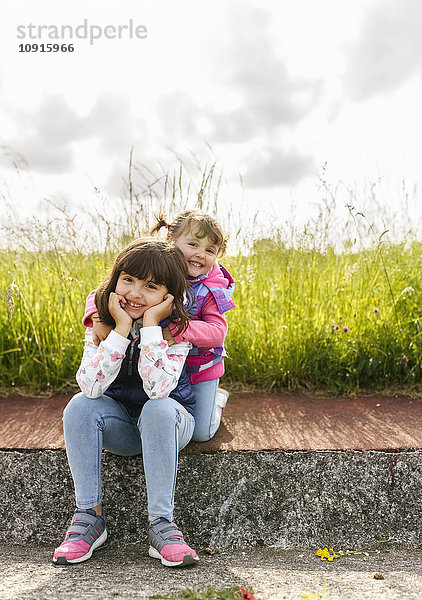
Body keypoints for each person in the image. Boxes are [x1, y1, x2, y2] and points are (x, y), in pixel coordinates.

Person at [53, 238, 199, 568]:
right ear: (115, 279)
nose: (135, 293)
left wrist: (150, 328)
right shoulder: (102, 321)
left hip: (169, 422)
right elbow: (91, 387)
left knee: (157, 408)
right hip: (122, 424)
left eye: (150, 286)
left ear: (167, 296)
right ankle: (89, 517)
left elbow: (159, 388)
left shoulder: (177, 329)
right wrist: (120, 329)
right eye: (129, 280)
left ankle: (162, 525)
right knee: (79, 405)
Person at [83, 210, 236, 442]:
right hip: (165, 363)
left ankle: (216, 401)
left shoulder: (211, 288)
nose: (200, 254)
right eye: (193, 244)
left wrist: (179, 330)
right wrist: (97, 317)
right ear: (170, 241)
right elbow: (102, 291)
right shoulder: (156, 268)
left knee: (201, 433)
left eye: (210, 250)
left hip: (199, 369)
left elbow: (218, 332)